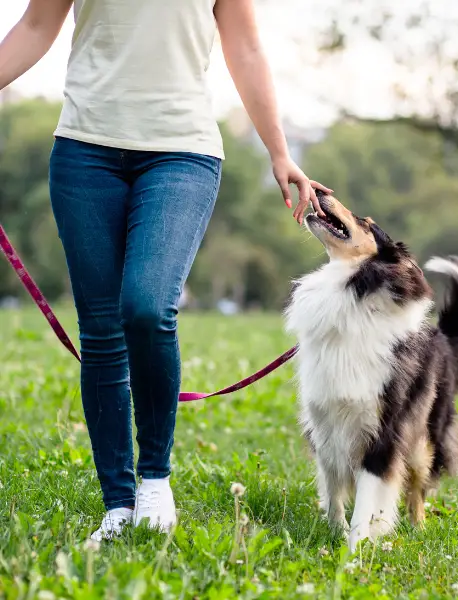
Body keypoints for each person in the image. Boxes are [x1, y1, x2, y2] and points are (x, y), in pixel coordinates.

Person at [0, 0, 331, 541]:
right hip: (84, 152)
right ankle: (118, 504)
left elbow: (244, 46)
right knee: (103, 332)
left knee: (147, 306)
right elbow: (36, 26)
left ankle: (154, 479)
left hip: (181, 153)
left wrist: (278, 150)